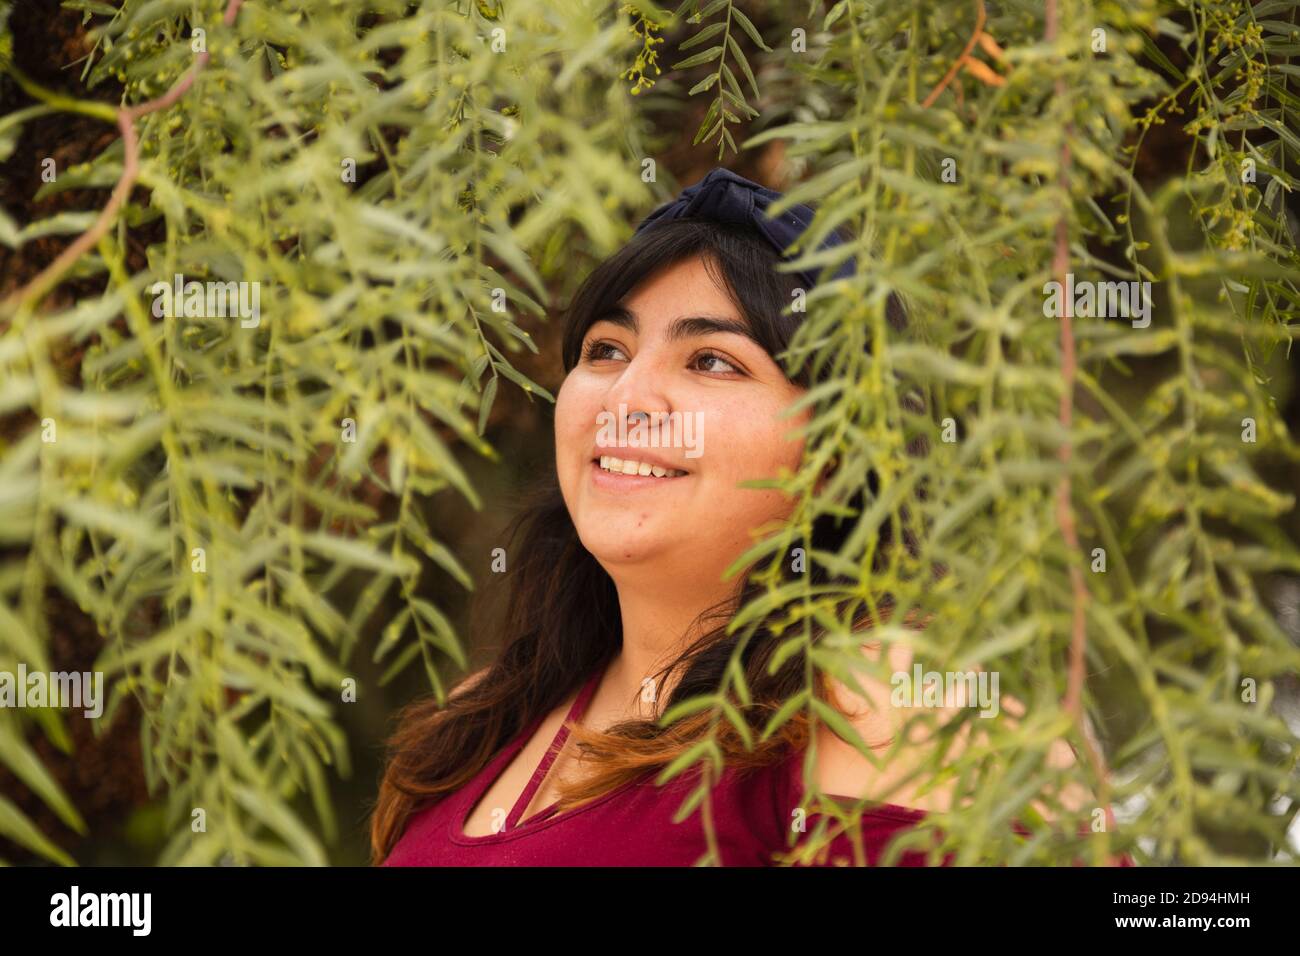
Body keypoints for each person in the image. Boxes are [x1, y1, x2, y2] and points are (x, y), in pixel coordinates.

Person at [372, 168, 1103, 867]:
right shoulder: (476, 721)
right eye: (606, 350)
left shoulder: (887, 707)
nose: (625, 396)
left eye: (712, 361)